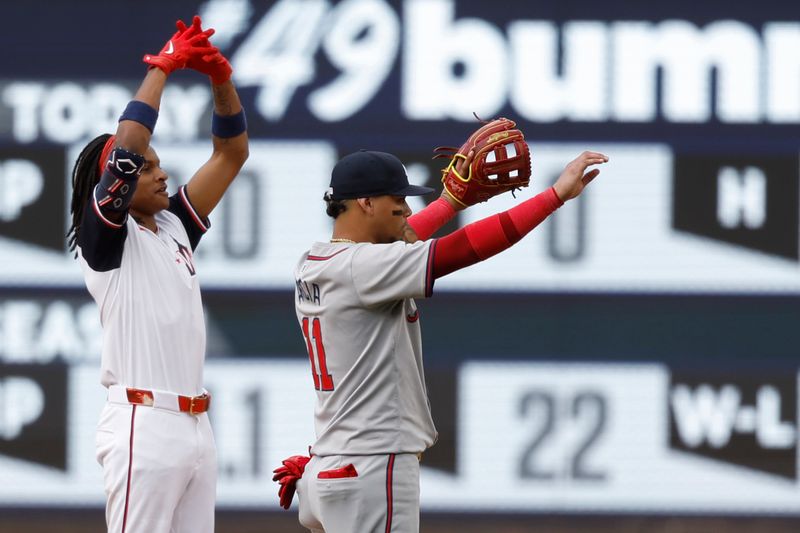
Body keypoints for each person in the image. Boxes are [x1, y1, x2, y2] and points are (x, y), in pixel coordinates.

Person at [277, 147, 608, 532]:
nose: (407, 209)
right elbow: (465, 246)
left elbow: (402, 243)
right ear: (365, 202)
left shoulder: (313, 262)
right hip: (372, 466)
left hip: (330, 467)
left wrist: (450, 202)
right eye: (397, 199)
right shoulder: (365, 268)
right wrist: (554, 197)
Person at [66, 16, 248, 533]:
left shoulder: (172, 227)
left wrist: (220, 79)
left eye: (158, 164)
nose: (160, 172)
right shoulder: (105, 240)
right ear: (117, 182)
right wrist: (161, 68)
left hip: (195, 425)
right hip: (141, 422)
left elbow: (232, 153)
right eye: (146, 168)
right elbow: (124, 150)